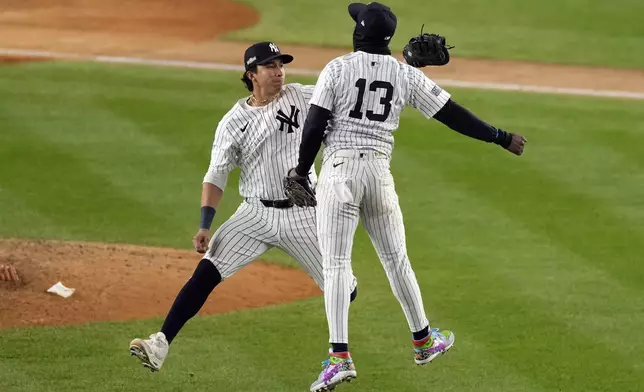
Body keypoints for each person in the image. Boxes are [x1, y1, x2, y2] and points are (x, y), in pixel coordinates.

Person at [285, 2, 527, 391]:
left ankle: (339, 358)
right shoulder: (404, 75)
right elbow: (452, 113)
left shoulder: (338, 68)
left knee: (335, 266)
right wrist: (500, 137)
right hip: (379, 175)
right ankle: (424, 340)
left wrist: (300, 169)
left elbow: (314, 126)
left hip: (340, 172)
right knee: (397, 260)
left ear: (358, 32)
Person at [128, 41, 357, 372]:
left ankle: (341, 335)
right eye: (270, 66)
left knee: (345, 291)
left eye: (281, 65)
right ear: (252, 75)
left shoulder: (301, 95)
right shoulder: (233, 122)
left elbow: (338, 90)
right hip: (255, 214)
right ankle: (159, 343)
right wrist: (206, 225)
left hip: (303, 213)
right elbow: (215, 175)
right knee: (207, 271)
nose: (279, 71)